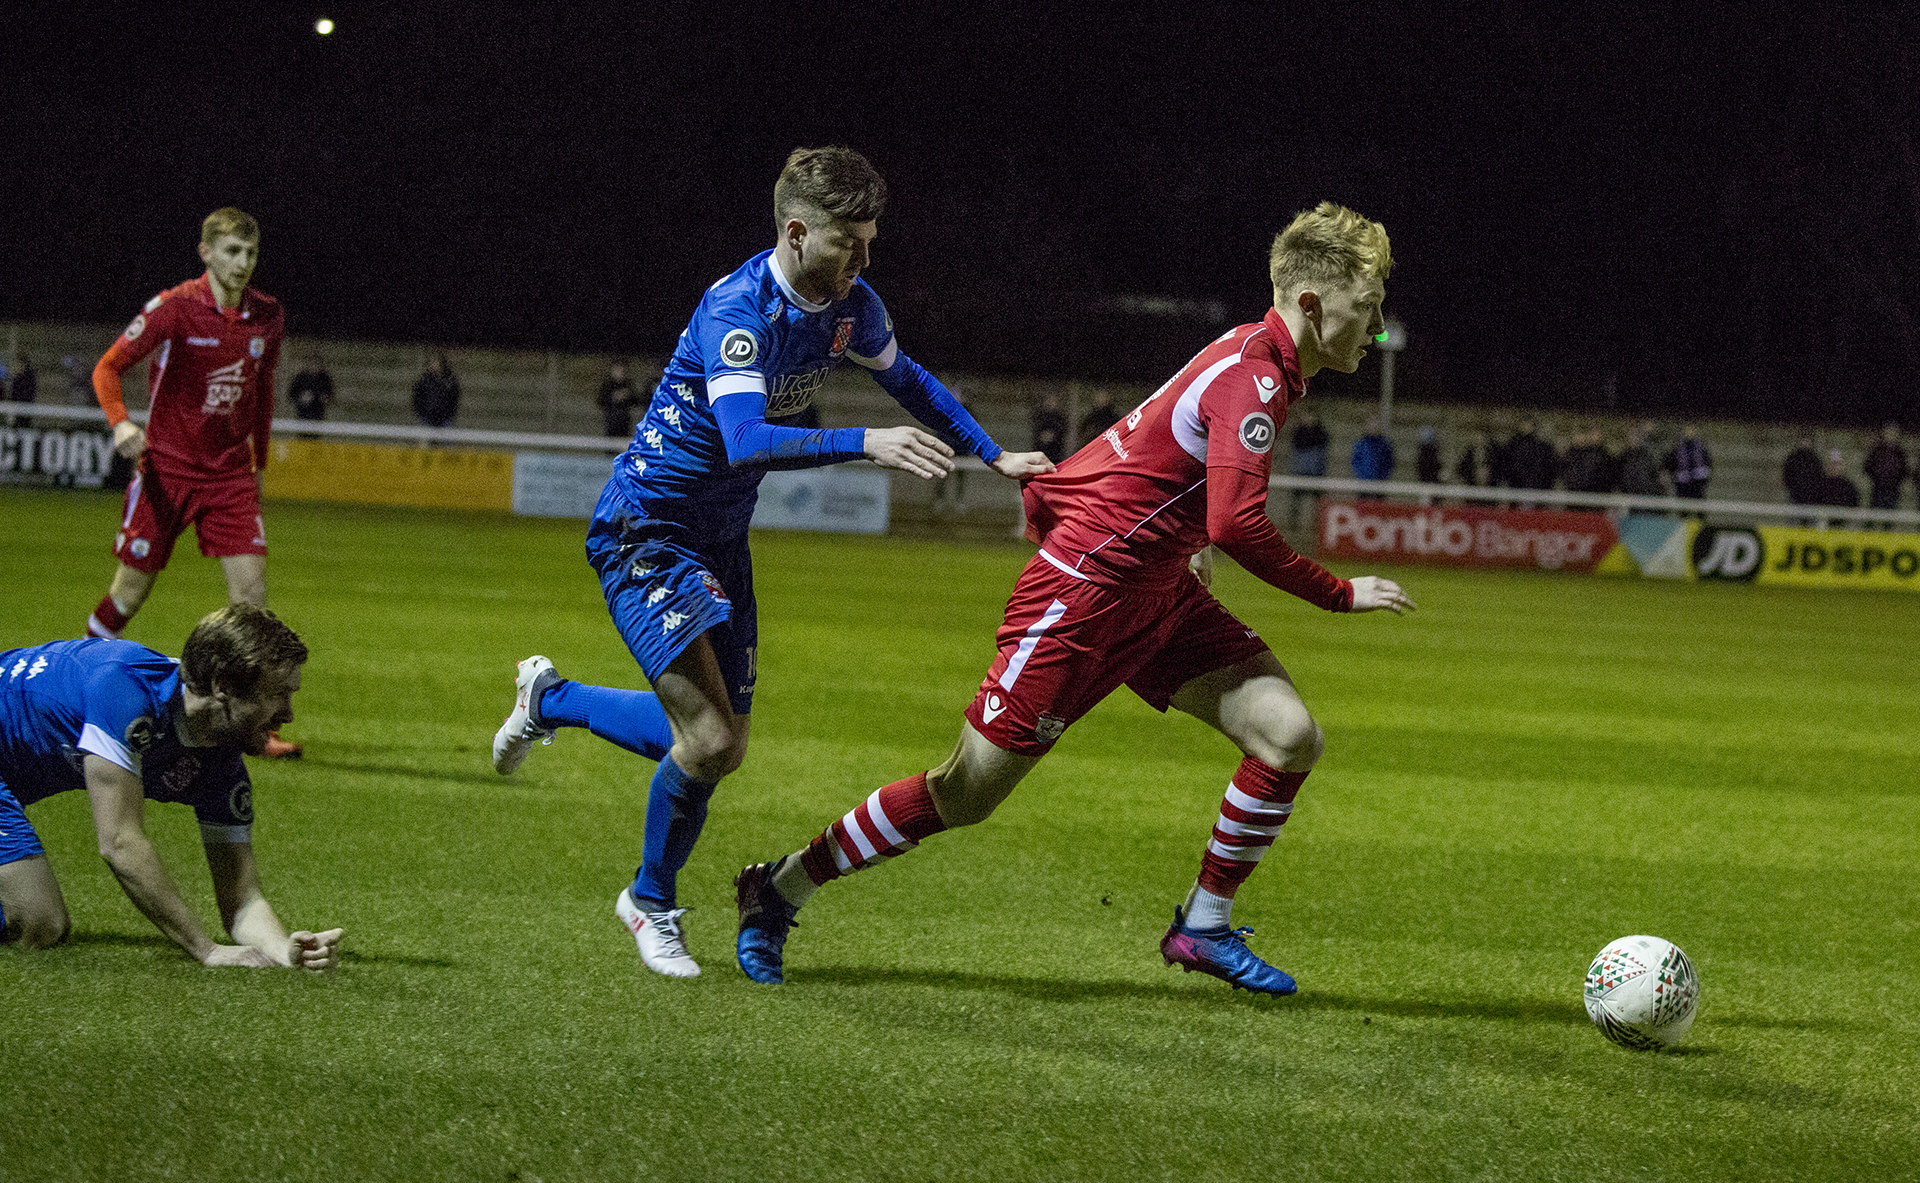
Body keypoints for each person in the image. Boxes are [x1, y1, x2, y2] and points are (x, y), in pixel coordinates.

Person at [729, 201, 1414, 994]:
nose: (1373, 328)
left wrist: (1176, 544)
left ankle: (1202, 925)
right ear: (1308, 304)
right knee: (965, 793)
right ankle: (777, 888)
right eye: (1365, 309)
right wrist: (1336, 593)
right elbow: (1236, 522)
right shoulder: (1254, 377)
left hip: (1156, 592)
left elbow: (1151, 453)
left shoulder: (1251, 359)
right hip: (1083, 598)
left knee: (1289, 736)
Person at [490, 146, 1053, 979]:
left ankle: (554, 697)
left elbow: (911, 381)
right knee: (710, 739)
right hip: (646, 526)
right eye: (849, 244)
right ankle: (648, 901)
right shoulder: (738, 312)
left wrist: (992, 453)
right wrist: (864, 442)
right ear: (796, 232)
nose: (864, 261)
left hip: (719, 536)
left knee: (721, 743)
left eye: (871, 242)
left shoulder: (851, 306)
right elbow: (744, 439)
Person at [0, 605, 342, 970]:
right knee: (40, 923)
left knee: (39, 919)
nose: (289, 714)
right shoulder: (124, 692)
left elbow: (242, 898)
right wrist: (206, 949)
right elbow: (120, 843)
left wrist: (283, 951)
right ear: (221, 687)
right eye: (276, 694)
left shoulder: (221, 764)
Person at [84, 207, 298, 759]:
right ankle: (78, 676)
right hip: (167, 471)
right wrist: (121, 422)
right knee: (128, 593)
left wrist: (260, 465)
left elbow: (264, 392)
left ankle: (258, 728)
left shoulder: (268, 316)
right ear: (206, 253)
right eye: (232, 252)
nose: (243, 263)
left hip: (229, 476)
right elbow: (107, 368)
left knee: (252, 600)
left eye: (250, 253)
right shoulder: (175, 308)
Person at [1285, 405, 1330, 528]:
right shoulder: (1299, 432)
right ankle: (1293, 525)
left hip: (1316, 472)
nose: (1309, 419)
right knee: (1296, 501)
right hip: (1300, 471)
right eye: (1306, 416)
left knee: (1317, 502)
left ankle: (1317, 525)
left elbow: (1321, 450)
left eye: (1311, 416)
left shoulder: (1321, 433)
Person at [1863, 422, 1910, 514]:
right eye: (1889, 432)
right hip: (1878, 487)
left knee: (1890, 514)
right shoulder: (1876, 450)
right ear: (1884, 433)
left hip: (1893, 489)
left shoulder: (1900, 453)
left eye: (1894, 432)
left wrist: (1896, 480)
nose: (1891, 435)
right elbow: (1867, 467)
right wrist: (1877, 477)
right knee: (1874, 513)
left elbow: (1905, 470)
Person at [1503, 417, 1557, 496]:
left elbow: (1539, 466)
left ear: (1533, 427)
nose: (1526, 427)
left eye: (1528, 425)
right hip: (1514, 483)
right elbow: (1508, 462)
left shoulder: (1538, 445)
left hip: (1530, 485)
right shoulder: (1513, 443)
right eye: (1524, 424)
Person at [411, 351, 460, 428]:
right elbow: (417, 397)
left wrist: (447, 416)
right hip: (426, 420)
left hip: (445, 421)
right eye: (432, 362)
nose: (433, 364)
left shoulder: (449, 380)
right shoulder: (424, 380)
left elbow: (454, 399)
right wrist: (422, 414)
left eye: (435, 361)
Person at [1616, 420, 1663, 497]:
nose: (1633, 437)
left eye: (1635, 435)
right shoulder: (1622, 457)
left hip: (1644, 498)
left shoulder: (1647, 456)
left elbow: (1653, 477)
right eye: (1631, 435)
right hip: (1627, 498)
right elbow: (1619, 479)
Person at [1664, 424, 1711, 500]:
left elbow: (1707, 463)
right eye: (1687, 430)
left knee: (1698, 504)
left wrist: (1702, 476)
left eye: (1692, 430)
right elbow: (1671, 464)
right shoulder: (1677, 447)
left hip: (1697, 483)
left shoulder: (1700, 447)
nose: (1689, 432)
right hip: (1682, 483)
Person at [597, 359, 642, 439]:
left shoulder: (628, 384)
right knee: (610, 445)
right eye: (616, 370)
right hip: (611, 421)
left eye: (621, 370)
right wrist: (613, 398)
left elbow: (636, 401)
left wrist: (627, 396)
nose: (618, 373)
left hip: (625, 421)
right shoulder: (607, 385)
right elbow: (600, 401)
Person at [1350, 414, 1394, 490]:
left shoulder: (1385, 445)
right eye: (1371, 424)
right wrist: (1361, 477)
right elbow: (1355, 462)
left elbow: (1389, 463)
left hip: (1380, 485)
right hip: (1363, 484)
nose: (1373, 426)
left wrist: (1382, 478)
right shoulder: (1361, 444)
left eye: (1376, 424)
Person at [287, 354, 335, 421]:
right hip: (302, 414)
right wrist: (301, 398)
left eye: (316, 364)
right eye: (312, 364)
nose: (314, 366)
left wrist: (325, 399)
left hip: (319, 414)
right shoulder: (300, 378)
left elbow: (331, 396)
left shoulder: (325, 379)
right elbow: (291, 394)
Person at [1782, 432, 1822, 505]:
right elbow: (1787, 475)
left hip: (1811, 497)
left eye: (1807, 441)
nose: (1805, 443)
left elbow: (1819, 477)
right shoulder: (1792, 458)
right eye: (1803, 440)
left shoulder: (1815, 460)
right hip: (1795, 496)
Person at [1031, 390, 1069, 464]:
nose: (1051, 402)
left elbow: (1062, 432)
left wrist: (1053, 436)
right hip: (1042, 449)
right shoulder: (1041, 416)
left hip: (1055, 450)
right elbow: (1037, 432)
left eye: (1053, 400)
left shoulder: (1060, 417)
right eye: (1049, 400)